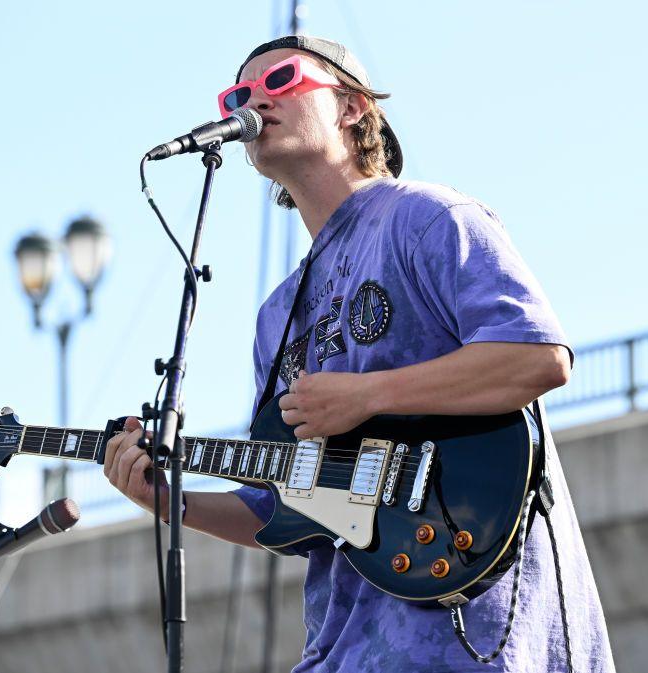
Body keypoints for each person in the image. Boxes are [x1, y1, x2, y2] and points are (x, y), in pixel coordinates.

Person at [104, 35, 615, 672]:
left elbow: (536, 357)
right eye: (238, 94)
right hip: (341, 649)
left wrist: (369, 396)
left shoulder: (430, 219)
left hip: (470, 636)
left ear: (353, 107)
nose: (255, 100)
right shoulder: (276, 315)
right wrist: (169, 502)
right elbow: (281, 508)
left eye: (282, 80)